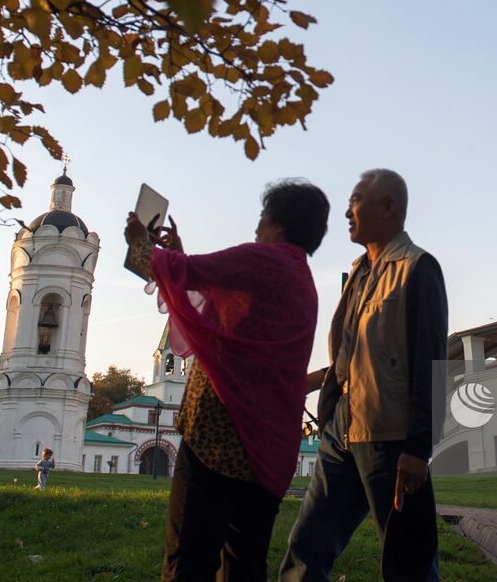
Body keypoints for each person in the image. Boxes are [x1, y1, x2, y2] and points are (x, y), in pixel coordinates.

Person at [124, 179, 330, 582]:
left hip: (218, 440)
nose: (256, 227)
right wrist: (178, 254)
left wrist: (139, 241)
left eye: (261, 217)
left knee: (189, 558)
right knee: (243, 564)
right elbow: (224, 309)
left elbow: (181, 274)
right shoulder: (301, 282)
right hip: (268, 450)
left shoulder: (262, 260)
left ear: (278, 222)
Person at [280, 169, 449, 581]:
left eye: (356, 200)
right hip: (342, 432)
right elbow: (354, 357)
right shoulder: (358, 273)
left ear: (388, 207)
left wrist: (418, 448)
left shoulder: (418, 268)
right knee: (306, 547)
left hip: (390, 439)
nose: (346, 211)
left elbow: (432, 362)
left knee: (408, 560)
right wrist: (314, 385)